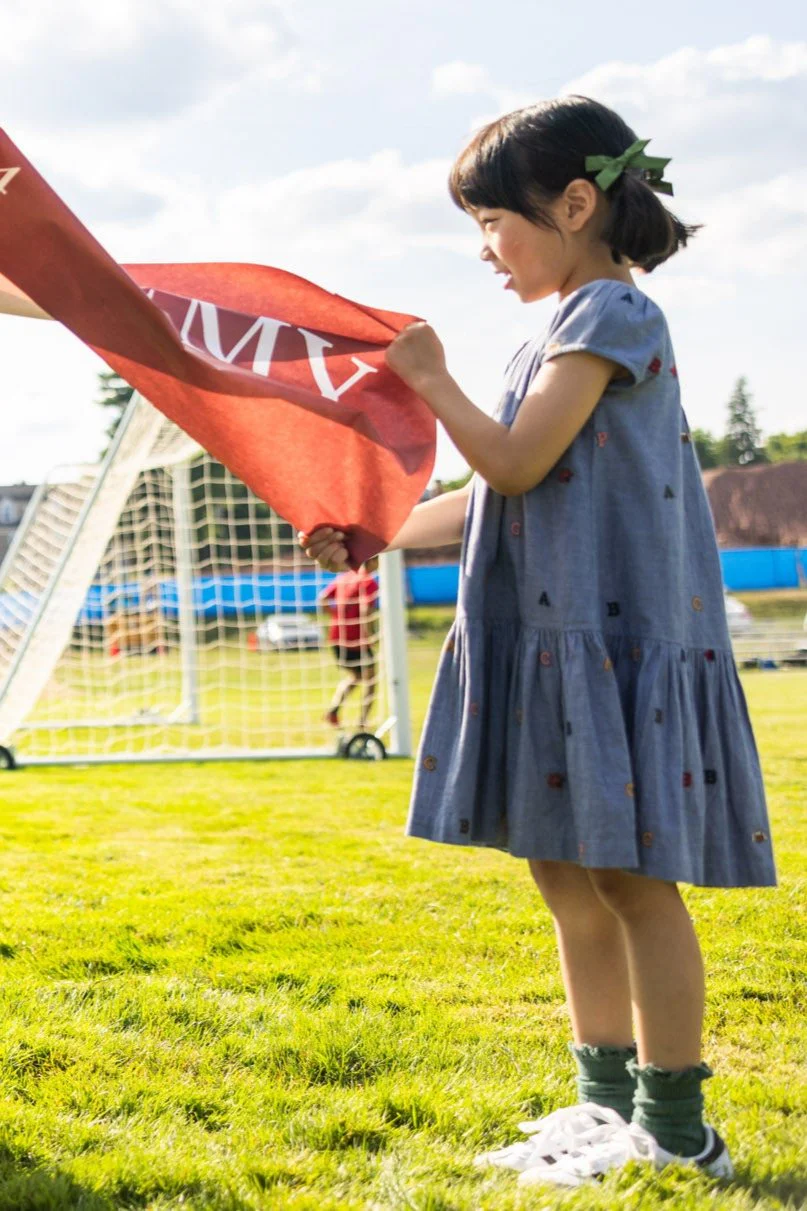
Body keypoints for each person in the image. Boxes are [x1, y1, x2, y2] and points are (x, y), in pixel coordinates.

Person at [299, 96, 775, 1187]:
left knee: (633, 882)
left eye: (492, 223)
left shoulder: (612, 314)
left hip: (612, 641)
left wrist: (430, 378)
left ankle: (679, 1123)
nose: (484, 250)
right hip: (549, 639)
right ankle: (605, 1109)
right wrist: (372, 534)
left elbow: (513, 462)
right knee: (566, 877)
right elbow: (487, 494)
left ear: (574, 202)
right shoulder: (553, 331)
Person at [319, 556, 379, 729]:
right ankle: (363, 721)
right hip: (357, 640)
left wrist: (336, 616)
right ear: (372, 561)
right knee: (371, 680)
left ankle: (333, 711)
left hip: (337, 638)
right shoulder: (368, 582)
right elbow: (366, 609)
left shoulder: (344, 578)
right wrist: (371, 635)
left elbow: (322, 598)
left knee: (356, 676)